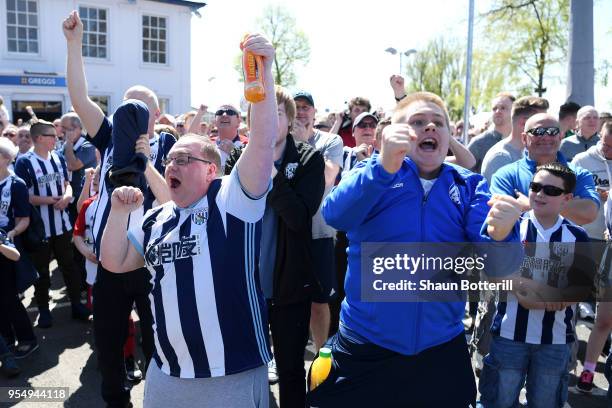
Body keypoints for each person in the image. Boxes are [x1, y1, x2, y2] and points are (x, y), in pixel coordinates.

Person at [308, 91, 523, 407]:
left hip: (439, 348)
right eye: (418, 122)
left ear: (449, 136)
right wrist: (382, 169)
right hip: (366, 344)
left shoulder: (469, 185)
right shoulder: (371, 173)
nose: (430, 128)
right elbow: (335, 214)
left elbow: (501, 269)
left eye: (439, 123)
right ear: (396, 133)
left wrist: (503, 234)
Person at [99, 32, 278, 408]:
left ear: (211, 169)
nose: (171, 165)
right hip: (167, 374)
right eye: (170, 160)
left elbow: (262, 140)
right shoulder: (155, 218)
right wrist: (117, 213)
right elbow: (114, 263)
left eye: (183, 159)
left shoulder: (232, 199)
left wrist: (264, 74)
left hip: (231, 375)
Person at [64, 9, 173, 407]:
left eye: (139, 110)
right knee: (108, 343)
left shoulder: (173, 149)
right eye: (125, 108)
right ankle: (116, 400)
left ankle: (160, 398)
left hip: (151, 262)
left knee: (157, 341)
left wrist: (151, 163)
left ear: (156, 117)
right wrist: (74, 46)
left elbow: (175, 205)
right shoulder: (109, 138)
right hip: (110, 261)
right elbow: (79, 98)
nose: (128, 116)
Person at [225, 86, 325, 407]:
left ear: (290, 120)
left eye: (275, 113)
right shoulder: (238, 159)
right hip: (245, 286)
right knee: (244, 370)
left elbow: (298, 217)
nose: (267, 119)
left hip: (289, 288)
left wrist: (269, 170)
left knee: (290, 371)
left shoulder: (309, 159)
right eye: (259, 113)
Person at [480, 163, 594, 408]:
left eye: (552, 191)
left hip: (555, 341)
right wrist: (530, 292)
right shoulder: (511, 227)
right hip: (509, 336)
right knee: (499, 401)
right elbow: (491, 271)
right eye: (536, 187)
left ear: (567, 199)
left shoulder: (578, 236)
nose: (541, 194)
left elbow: (581, 288)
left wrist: (532, 294)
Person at [14, 120, 91, 328]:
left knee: (70, 267)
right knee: (42, 272)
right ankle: (44, 311)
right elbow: (25, 196)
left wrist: (67, 196)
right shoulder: (25, 162)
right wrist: (50, 201)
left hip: (62, 224)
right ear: (39, 138)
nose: (56, 138)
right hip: (40, 229)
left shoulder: (57, 157)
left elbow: (67, 184)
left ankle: (77, 304)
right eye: (52, 136)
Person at [292, 90, 343, 354]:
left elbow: (325, 178)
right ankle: (282, 356)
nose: (301, 112)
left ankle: (322, 357)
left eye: (306, 107)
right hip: (286, 233)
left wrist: (303, 145)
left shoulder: (331, 141)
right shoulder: (278, 140)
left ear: (315, 111)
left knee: (319, 302)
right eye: (296, 107)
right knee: (285, 303)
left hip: (320, 232)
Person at [491, 113, 599, 226]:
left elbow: (589, 213)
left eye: (552, 132)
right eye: (538, 132)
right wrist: (567, 206)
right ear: (524, 138)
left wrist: (530, 205)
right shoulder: (505, 175)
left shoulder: (579, 174)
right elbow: (501, 218)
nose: (546, 137)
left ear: (560, 137)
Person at [574, 121, 612, 393]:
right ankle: (583, 370)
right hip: (586, 242)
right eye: (607, 143)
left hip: (606, 242)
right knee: (586, 309)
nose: (609, 149)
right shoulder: (582, 160)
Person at [0, 137, 37, 358]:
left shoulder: (16, 184)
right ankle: (6, 339)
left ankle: (27, 339)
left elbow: (24, 219)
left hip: (7, 243)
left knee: (8, 296)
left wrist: (11, 235)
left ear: (5, 159)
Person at [481, 96, 549, 183]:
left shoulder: (525, 153)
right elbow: (499, 196)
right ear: (524, 123)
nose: (546, 130)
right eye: (541, 124)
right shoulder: (501, 157)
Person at [467, 93, 516, 173]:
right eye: (494, 108)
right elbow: (463, 173)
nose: (497, 111)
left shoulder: (522, 142)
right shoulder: (479, 143)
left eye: (503, 108)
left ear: (514, 112)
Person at [211, 104, 248, 168]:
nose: (224, 115)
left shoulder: (249, 144)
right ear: (215, 122)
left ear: (238, 122)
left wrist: (234, 153)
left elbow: (254, 171)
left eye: (230, 112)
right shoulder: (206, 144)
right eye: (220, 112)